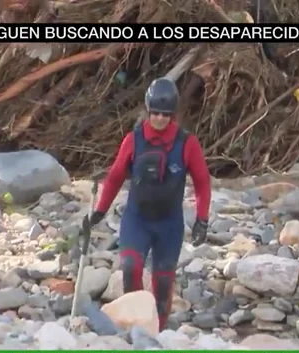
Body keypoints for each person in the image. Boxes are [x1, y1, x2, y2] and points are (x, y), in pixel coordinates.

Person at [84, 77, 211, 332]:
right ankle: (137, 325)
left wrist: (202, 219)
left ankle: (159, 332)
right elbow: (116, 176)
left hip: (169, 224)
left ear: (173, 114)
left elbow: (202, 182)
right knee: (131, 266)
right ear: (147, 110)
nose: (160, 119)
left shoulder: (187, 143)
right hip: (137, 219)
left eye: (166, 114)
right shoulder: (134, 140)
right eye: (155, 113)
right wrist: (99, 210)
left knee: (163, 282)